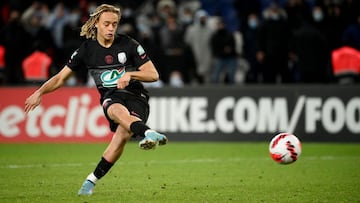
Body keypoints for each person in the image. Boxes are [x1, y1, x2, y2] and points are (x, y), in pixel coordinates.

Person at [24, 4, 168, 195]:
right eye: (107, 24)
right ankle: (92, 181)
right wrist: (40, 92)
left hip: (136, 96)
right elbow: (60, 78)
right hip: (111, 96)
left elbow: (153, 74)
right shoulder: (87, 49)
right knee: (117, 114)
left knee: (121, 136)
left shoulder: (128, 44)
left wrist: (131, 74)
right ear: (96, 24)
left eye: (114, 24)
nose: (111, 28)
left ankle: (92, 179)